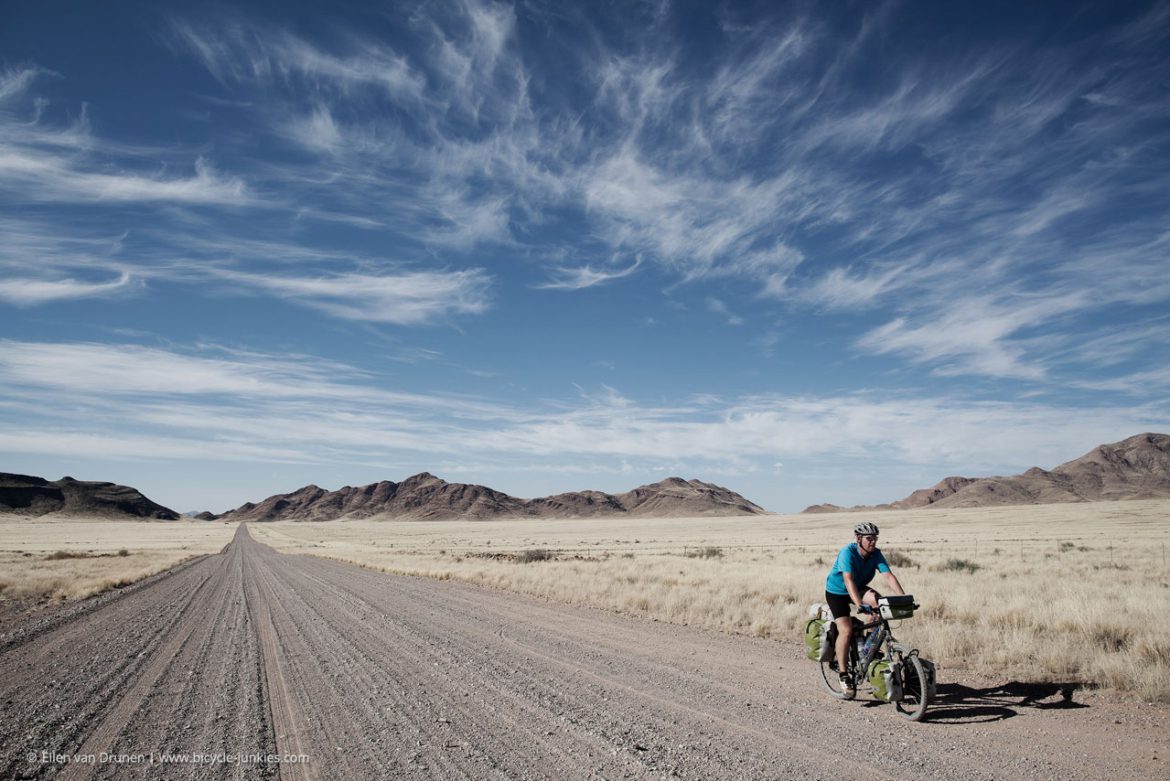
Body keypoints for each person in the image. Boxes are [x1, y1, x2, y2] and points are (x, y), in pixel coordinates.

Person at [824, 521, 905, 698]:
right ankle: (844, 674)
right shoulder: (848, 552)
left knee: (879, 604)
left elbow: (889, 576)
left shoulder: (876, 554)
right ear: (859, 539)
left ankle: (866, 651)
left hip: (858, 587)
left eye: (875, 538)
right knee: (846, 630)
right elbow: (848, 580)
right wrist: (859, 604)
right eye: (869, 538)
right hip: (837, 591)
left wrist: (903, 598)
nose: (873, 542)